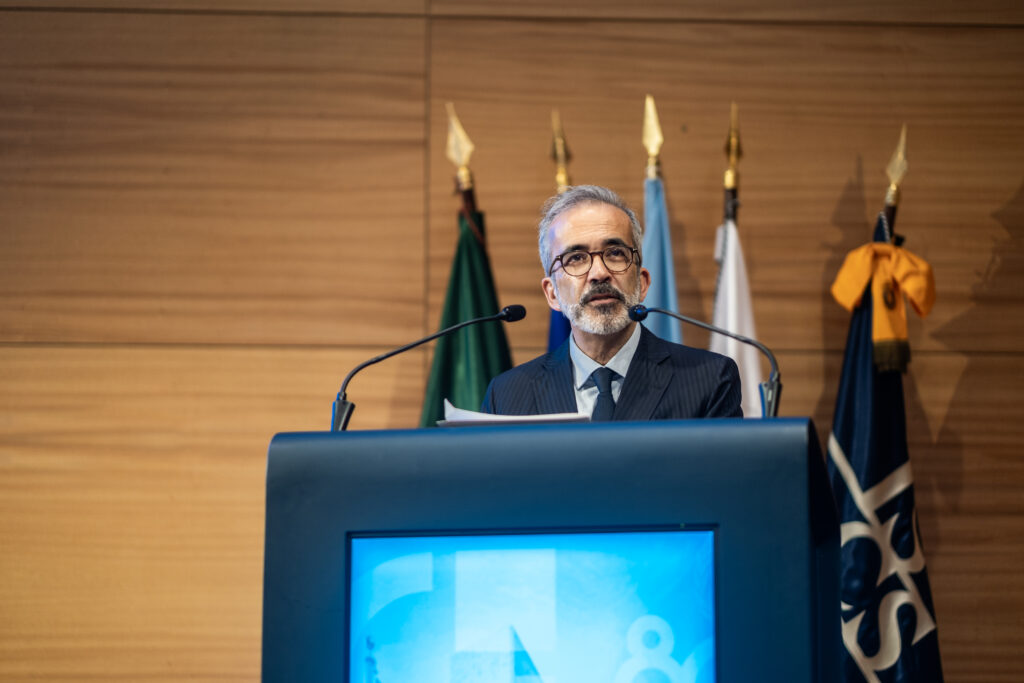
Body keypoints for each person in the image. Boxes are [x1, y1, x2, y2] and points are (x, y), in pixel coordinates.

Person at [481, 185, 742, 420]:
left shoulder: (709, 380)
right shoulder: (506, 396)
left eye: (615, 253)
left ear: (642, 283)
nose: (599, 273)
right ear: (552, 294)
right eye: (576, 258)